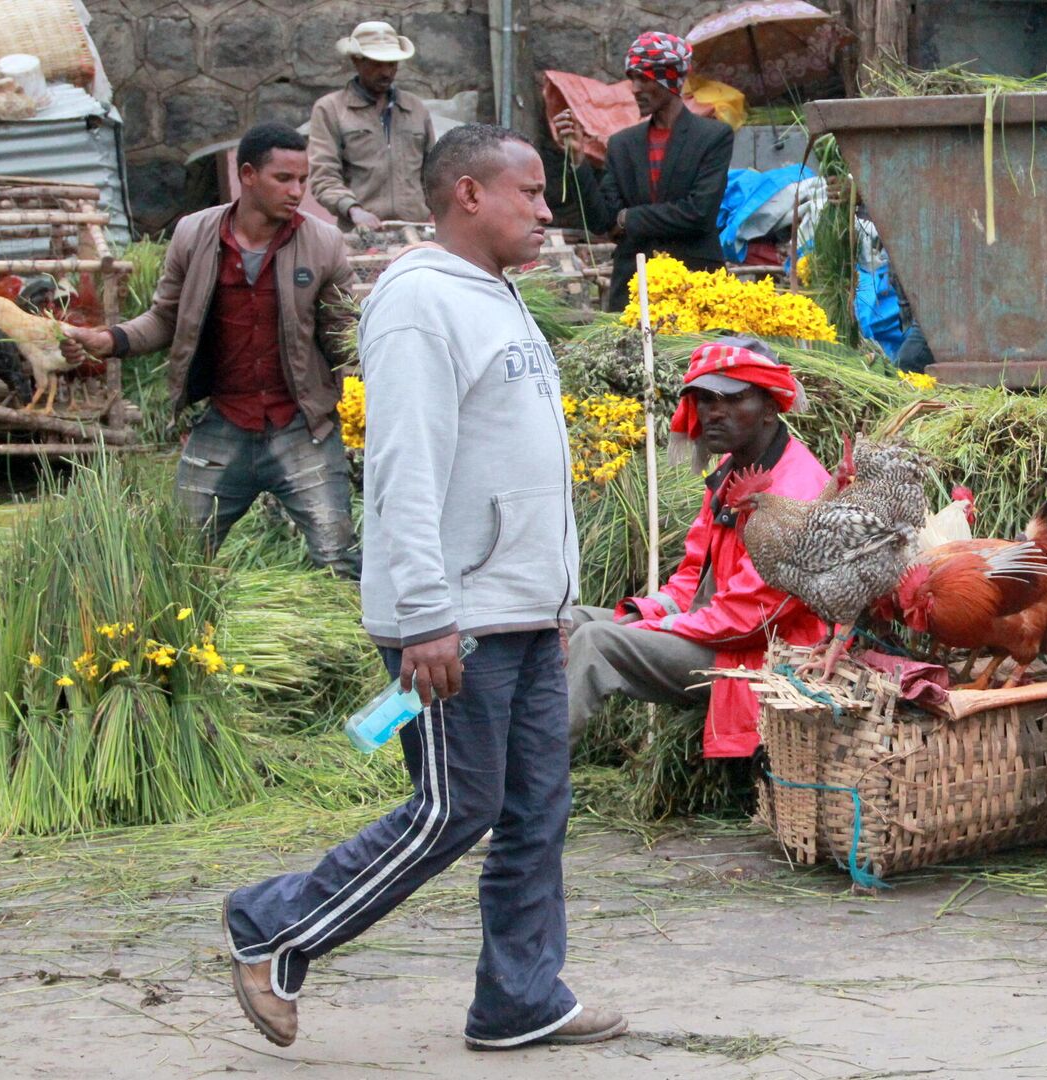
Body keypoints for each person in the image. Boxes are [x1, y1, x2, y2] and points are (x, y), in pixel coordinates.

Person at [220, 124, 625, 1052]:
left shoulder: (496, 297)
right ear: (470, 195)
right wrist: (426, 616)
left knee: (534, 811)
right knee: (456, 806)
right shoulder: (418, 304)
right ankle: (275, 926)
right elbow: (404, 469)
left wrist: (557, 604)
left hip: (520, 612)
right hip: (457, 621)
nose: (546, 207)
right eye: (530, 190)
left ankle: (520, 997)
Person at [65, 124, 360, 576]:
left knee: (340, 560)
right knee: (177, 562)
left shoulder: (323, 243)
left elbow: (344, 336)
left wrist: (364, 394)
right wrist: (109, 341)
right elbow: (165, 317)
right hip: (224, 423)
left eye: (302, 179)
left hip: (303, 426)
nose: (298, 191)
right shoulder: (194, 235)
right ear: (247, 175)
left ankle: (354, 643)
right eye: (284, 179)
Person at [562, 336, 830, 758]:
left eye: (731, 398)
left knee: (596, 641)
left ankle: (531, 790)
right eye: (703, 399)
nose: (712, 413)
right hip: (715, 628)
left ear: (769, 406)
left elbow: (749, 618)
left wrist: (647, 630)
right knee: (568, 622)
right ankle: (496, 758)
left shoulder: (797, 490)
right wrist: (644, 614)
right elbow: (694, 575)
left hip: (762, 651)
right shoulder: (730, 472)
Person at [550, 31, 734, 312]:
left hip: (697, 289)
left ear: (670, 80)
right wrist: (578, 160)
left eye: (644, 78)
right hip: (633, 292)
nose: (634, 88)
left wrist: (628, 218)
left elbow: (698, 213)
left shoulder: (713, 136)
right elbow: (602, 221)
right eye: (632, 78)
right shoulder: (623, 144)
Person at [308, 20, 435, 232]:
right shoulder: (331, 109)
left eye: (392, 64)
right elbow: (324, 176)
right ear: (357, 62)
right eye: (377, 63)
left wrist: (434, 210)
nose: (386, 72)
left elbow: (434, 172)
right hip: (360, 233)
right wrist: (353, 210)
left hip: (416, 231)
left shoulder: (415, 108)